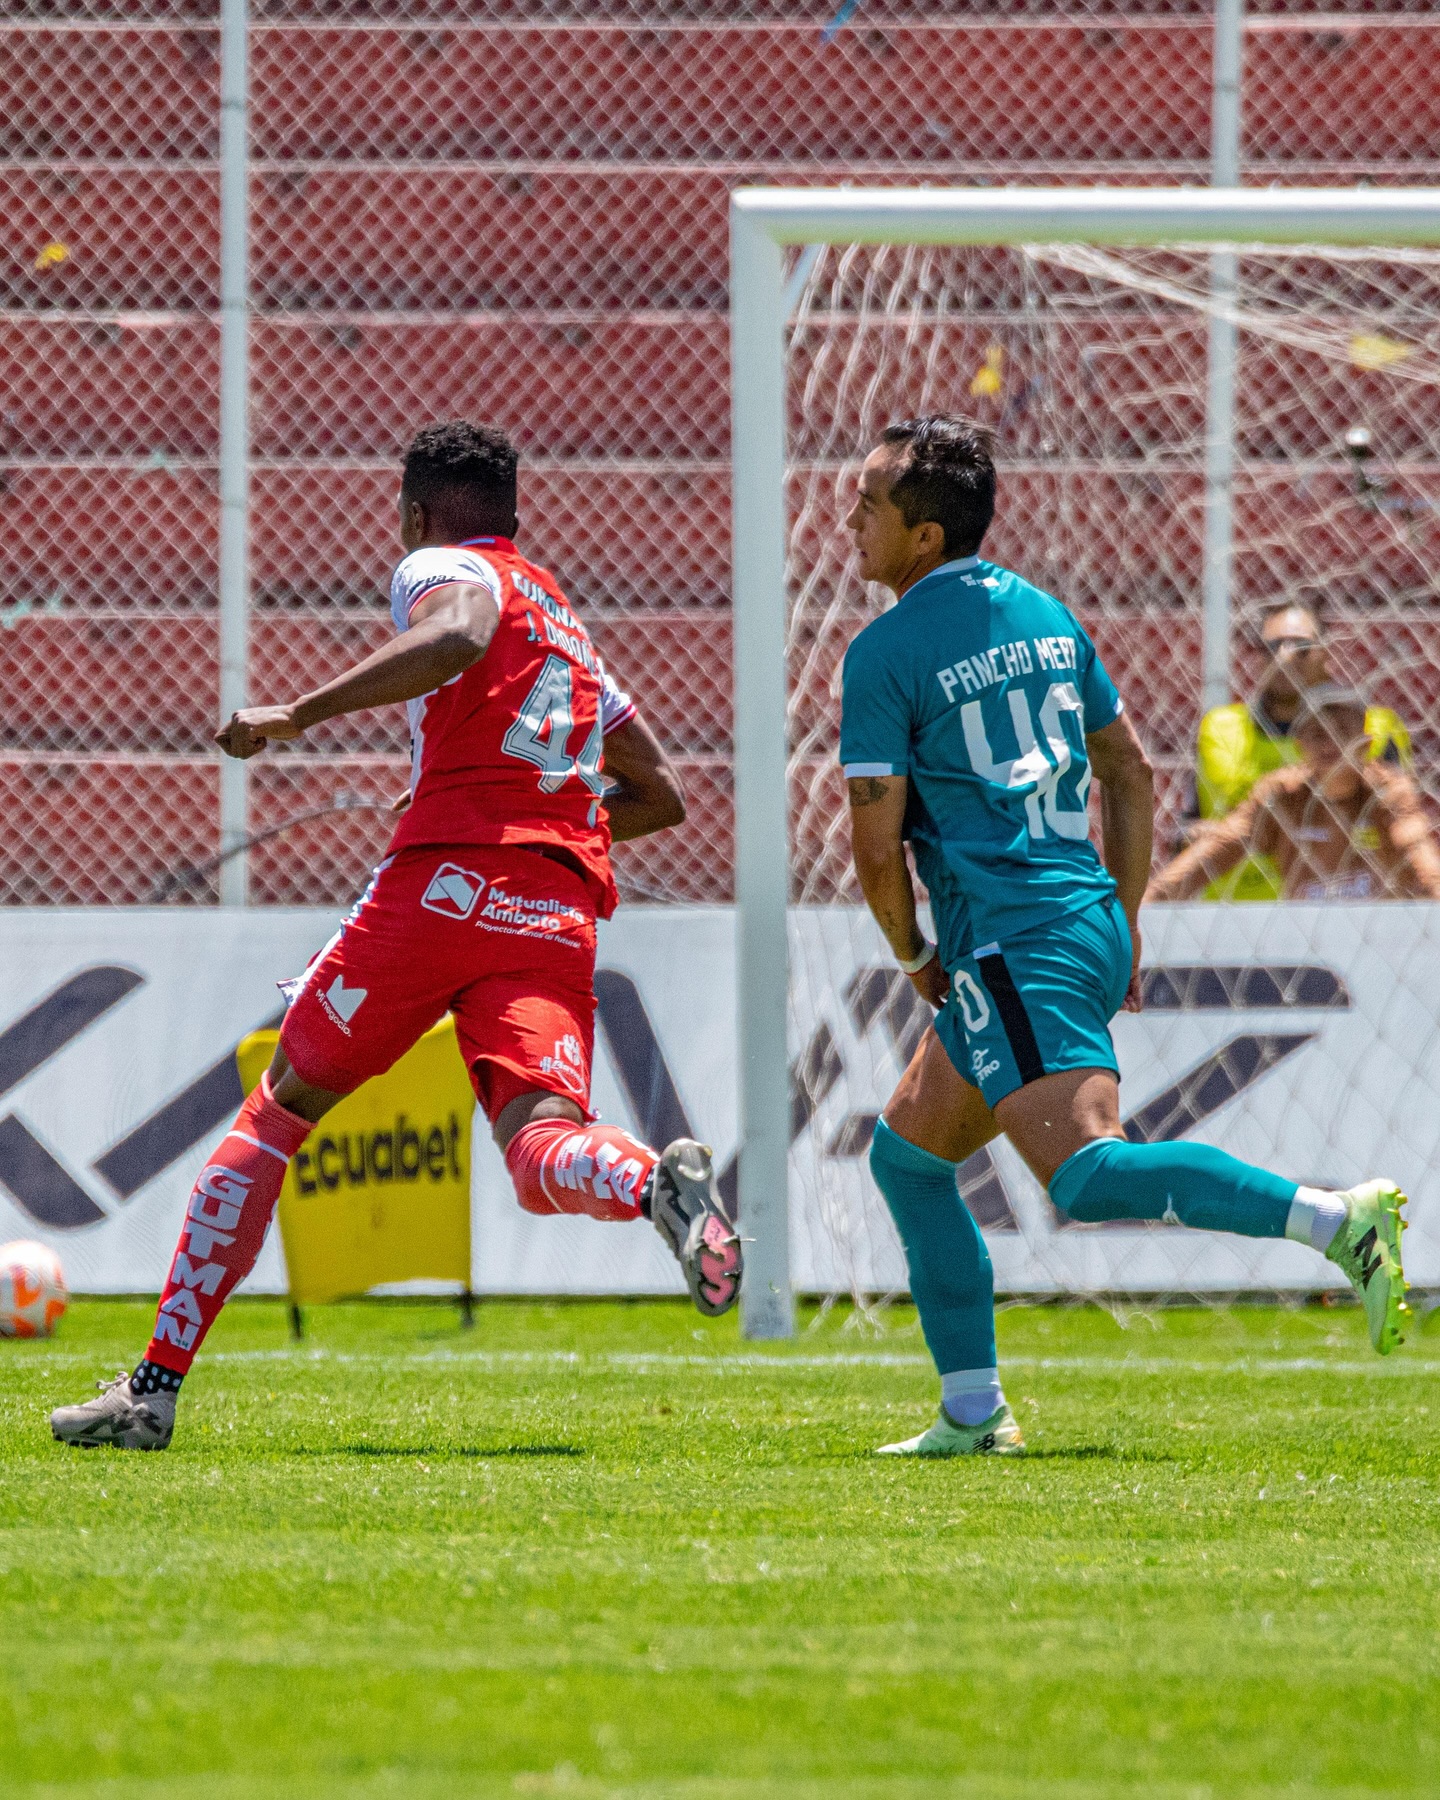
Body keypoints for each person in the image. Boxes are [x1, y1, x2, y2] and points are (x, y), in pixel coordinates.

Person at [51, 420, 741, 1452]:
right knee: (537, 1143)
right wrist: (551, 823)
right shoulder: (568, 624)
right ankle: (651, 1183)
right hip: (551, 905)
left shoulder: (444, 568)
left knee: (279, 1110)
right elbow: (663, 795)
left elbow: (457, 632)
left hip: (445, 882)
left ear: (417, 512)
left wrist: (293, 715)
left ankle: (151, 1391)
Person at [838, 415, 1409, 1460]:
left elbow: (875, 850)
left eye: (869, 500)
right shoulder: (1048, 617)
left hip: (1012, 941)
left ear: (922, 536)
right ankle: (973, 1412)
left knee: (1089, 1174)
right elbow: (1132, 770)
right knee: (910, 1161)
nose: (850, 516)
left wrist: (916, 956)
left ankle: (1336, 1218)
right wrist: (1127, 917)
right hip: (1083, 918)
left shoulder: (883, 654)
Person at [1194, 600, 1411, 900]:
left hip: (1349, 908)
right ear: (1256, 656)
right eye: (1272, 648)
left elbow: (1401, 825)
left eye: (1301, 647)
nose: (1285, 657)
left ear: (1326, 652)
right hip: (1236, 912)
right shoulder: (1219, 729)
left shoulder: (1376, 727)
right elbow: (1188, 826)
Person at [1152, 683, 1440, 903]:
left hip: (1379, 936)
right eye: (1317, 732)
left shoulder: (1386, 792)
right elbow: (1216, 850)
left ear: (1366, 744)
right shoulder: (1283, 794)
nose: (1329, 743)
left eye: (1341, 731)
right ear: (1299, 745)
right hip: (1306, 943)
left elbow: (1418, 851)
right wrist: (1146, 905)